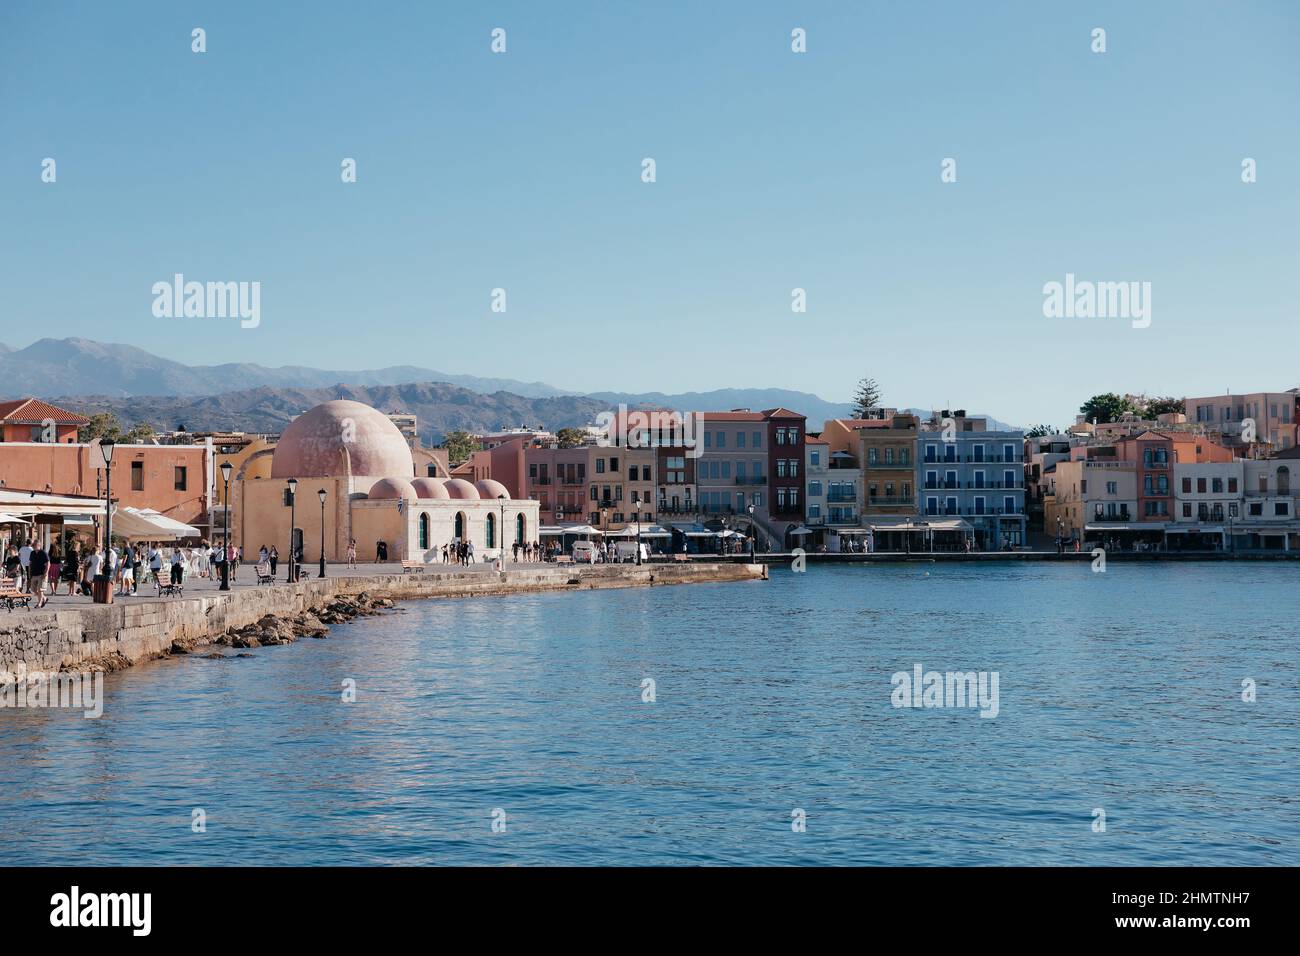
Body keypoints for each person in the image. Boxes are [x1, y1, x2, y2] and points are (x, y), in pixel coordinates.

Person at [28, 541, 49, 608]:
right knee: (33, 589)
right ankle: (44, 598)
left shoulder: (43, 553)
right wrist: (29, 572)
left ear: (39, 545)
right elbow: (30, 563)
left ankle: (39, 603)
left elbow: (48, 563)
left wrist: (46, 572)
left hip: (41, 573)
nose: (34, 546)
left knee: (40, 589)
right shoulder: (32, 553)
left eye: (35, 545)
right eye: (33, 545)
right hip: (34, 573)